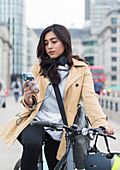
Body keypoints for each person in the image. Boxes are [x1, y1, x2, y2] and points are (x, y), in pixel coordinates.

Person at [0, 24, 114, 170]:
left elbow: (90, 98)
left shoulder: (81, 69)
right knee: (32, 144)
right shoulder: (39, 68)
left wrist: (100, 123)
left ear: (65, 43)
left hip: (63, 127)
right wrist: (28, 96)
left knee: (57, 163)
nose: (49, 47)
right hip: (37, 121)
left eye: (54, 42)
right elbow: (31, 102)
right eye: (46, 43)